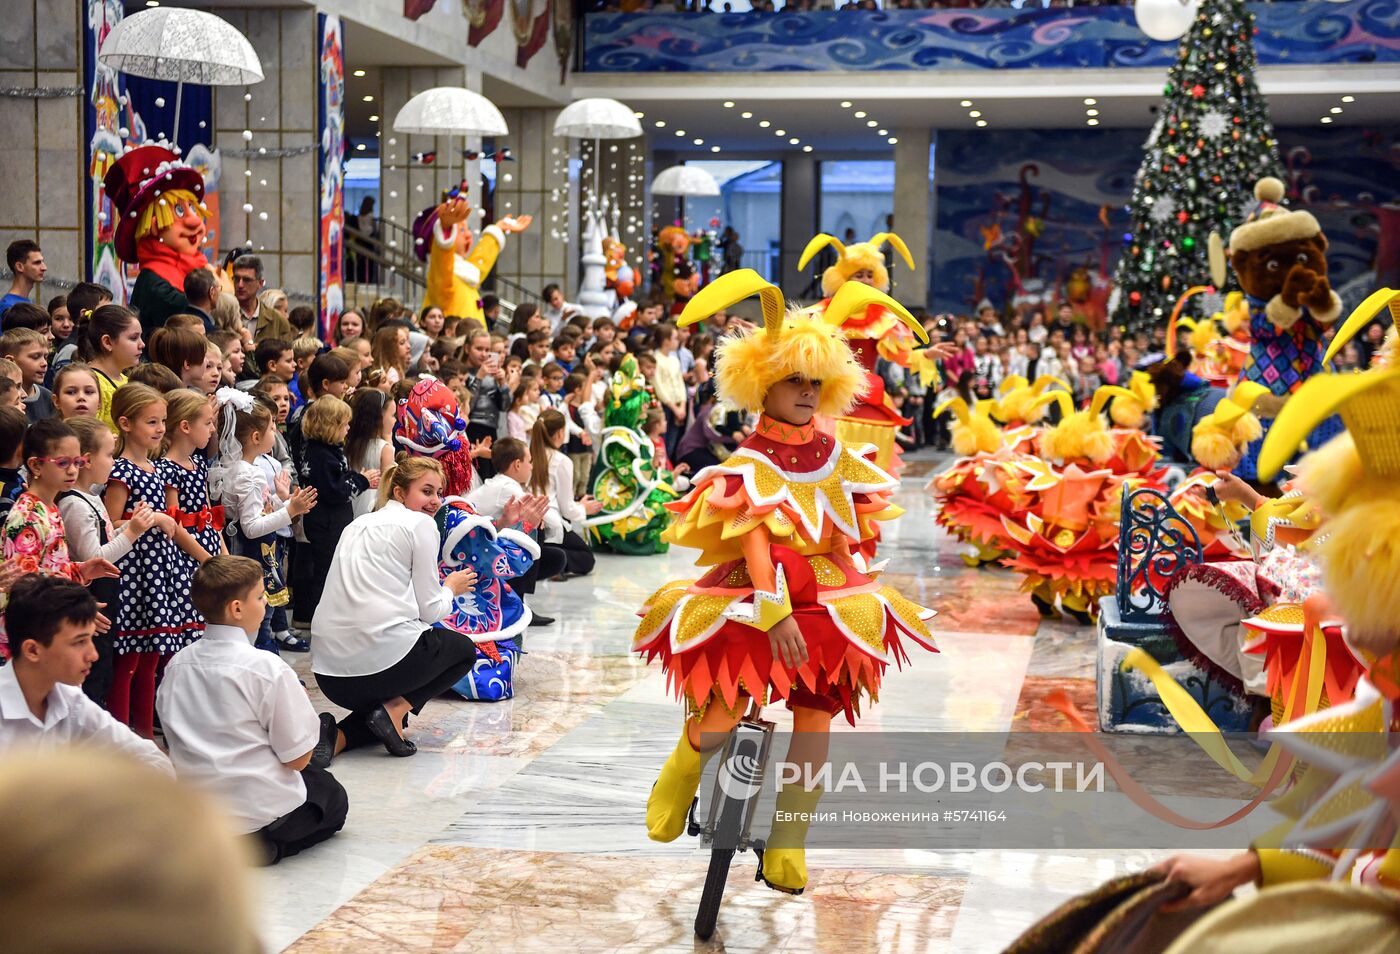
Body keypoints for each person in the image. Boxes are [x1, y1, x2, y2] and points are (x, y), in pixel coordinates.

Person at [635, 271, 937, 894]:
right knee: (719, 721)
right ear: (764, 384)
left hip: (825, 596)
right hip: (757, 590)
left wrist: (851, 580)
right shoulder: (747, 462)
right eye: (792, 380)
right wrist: (775, 613)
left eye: (813, 381)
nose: (804, 392)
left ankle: (790, 836)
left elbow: (844, 537)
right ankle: (683, 767)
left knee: (816, 721)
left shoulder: (840, 458)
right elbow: (752, 536)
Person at [158, 556, 348, 865]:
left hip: (196, 808)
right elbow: (298, 759)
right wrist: (299, 700)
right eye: (260, 597)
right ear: (237, 608)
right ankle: (259, 847)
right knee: (331, 796)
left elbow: (171, 741)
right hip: (253, 813)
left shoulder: (177, 665)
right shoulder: (266, 668)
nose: (265, 604)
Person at [311, 455, 480, 758]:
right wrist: (451, 589)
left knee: (385, 712)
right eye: (427, 491)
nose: (435, 501)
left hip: (328, 674)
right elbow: (430, 610)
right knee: (463, 651)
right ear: (400, 492)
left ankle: (336, 737)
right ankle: (393, 711)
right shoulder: (420, 525)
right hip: (379, 664)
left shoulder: (357, 523)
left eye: (439, 492)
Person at [103, 385, 210, 737]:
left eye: (163, 420)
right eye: (151, 421)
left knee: (151, 658)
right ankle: (122, 736)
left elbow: (174, 526)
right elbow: (110, 521)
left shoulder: (158, 470)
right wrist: (148, 521)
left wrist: (206, 559)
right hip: (135, 572)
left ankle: (147, 734)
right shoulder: (121, 471)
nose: (160, 428)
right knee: (129, 661)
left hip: (160, 570)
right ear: (126, 423)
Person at [0, 575, 169, 771]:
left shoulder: (70, 700)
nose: (93, 655)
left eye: (90, 640)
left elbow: (152, 759)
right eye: (79, 642)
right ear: (32, 650)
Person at [212, 389, 317, 653]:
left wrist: (283, 502)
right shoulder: (249, 475)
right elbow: (252, 526)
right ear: (256, 437)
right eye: (272, 427)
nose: (275, 433)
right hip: (253, 554)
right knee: (260, 615)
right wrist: (290, 510)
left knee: (262, 615)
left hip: (257, 550)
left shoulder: (240, 468)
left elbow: (260, 510)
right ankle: (263, 662)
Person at [467, 438, 566, 623]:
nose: (531, 466)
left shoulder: (503, 484)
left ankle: (515, 598)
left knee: (556, 557)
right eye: (529, 461)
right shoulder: (506, 487)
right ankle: (517, 604)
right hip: (476, 557)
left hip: (482, 549)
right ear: (517, 464)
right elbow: (550, 518)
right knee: (535, 527)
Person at [297, 396, 376, 620]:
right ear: (330, 426)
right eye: (344, 424)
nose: (348, 428)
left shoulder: (328, 449)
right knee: (327, 571)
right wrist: (362, 480)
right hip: (326, 522)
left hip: (331, 520)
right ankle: (322, 618)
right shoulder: (320, 454)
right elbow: (335, 492)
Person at [528, 410, 599, 579]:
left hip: (527, 516)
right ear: (560, 433)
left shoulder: (526, 453)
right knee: (586, 558)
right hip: (548, 519)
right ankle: (551, 562)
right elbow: (567, 509)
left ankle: (541, 555)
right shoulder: (561, 460)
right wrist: (583, 508)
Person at [74, 303, 144, 433]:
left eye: (140, 337)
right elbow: (88, 434)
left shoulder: (126, 380)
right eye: (133, 338)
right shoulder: (91, 383)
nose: (142, 344)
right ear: (107, 342)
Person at [347, 388, 396, 518]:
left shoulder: (351, 443)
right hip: (374, 505)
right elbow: (388, 484)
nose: (395, 420)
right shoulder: (385, 448)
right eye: (392, 415)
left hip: (354, 500)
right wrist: (388, 439)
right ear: (379, 418)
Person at [230, 255, 292, 343]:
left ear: (260, 283)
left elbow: (288, 355)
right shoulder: (224, 317)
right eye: (236, 279)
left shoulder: (277, 321)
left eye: (247, 280)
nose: (240, 285)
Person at [0, 327, 54, 423]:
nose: (44, 363)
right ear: (11, 361)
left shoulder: (48, 397)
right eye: (35, 357)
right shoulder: (3, 399)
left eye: (45, 357)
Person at [1, 239, 46, 316]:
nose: (44, 267)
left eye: (42, 262)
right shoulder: (8, 306)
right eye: (37, 263)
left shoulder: (27, 303)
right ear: (19, 267)